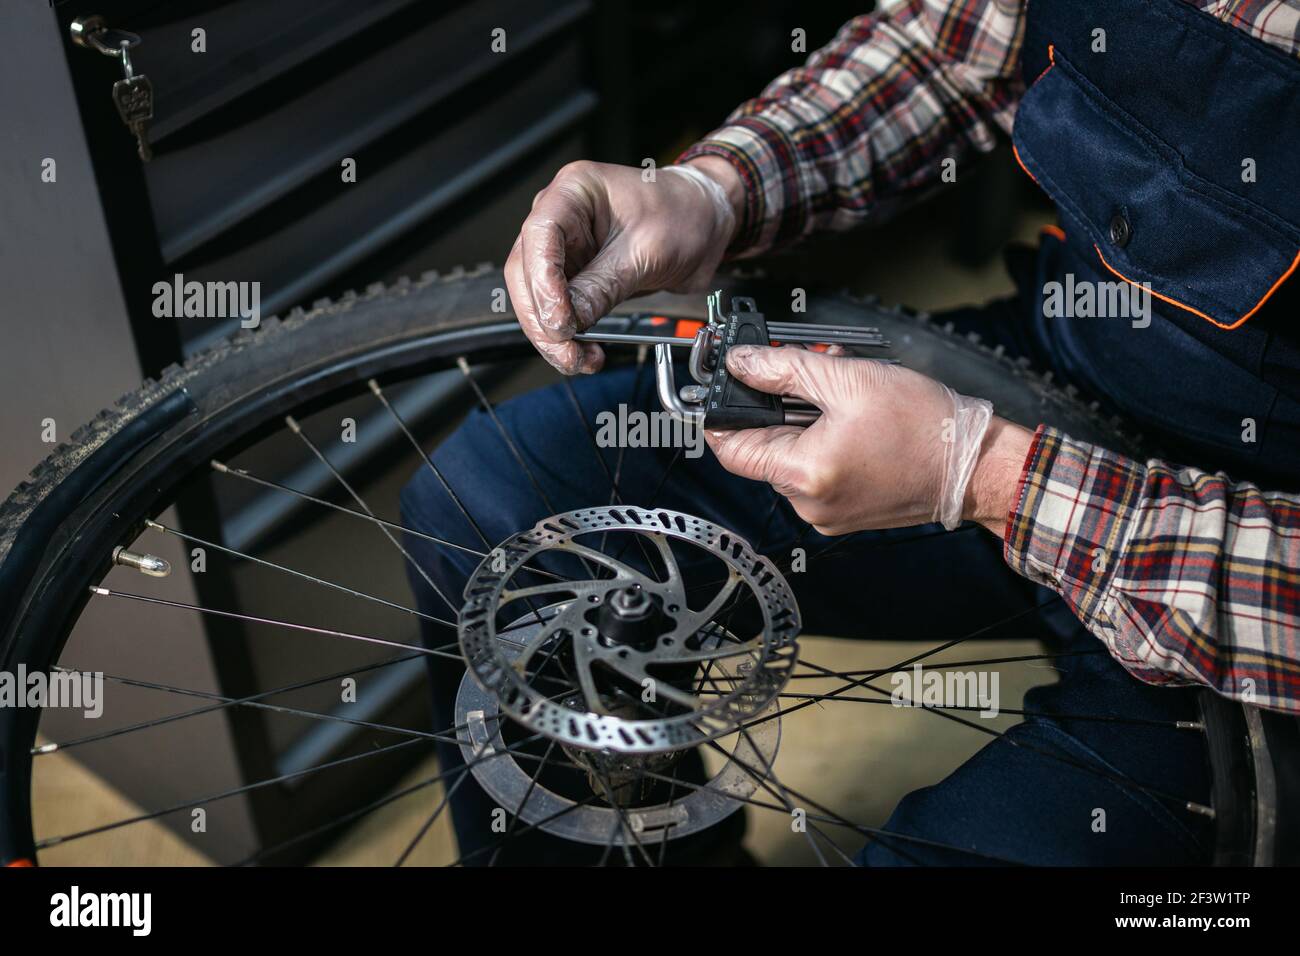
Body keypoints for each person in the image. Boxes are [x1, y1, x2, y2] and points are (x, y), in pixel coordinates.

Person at [400, 0, 1300, 865]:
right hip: (1074, 368)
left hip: (1248, 588)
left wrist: (985, 476)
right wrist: (714, 187)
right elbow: (948, 47)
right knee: (494, 500)